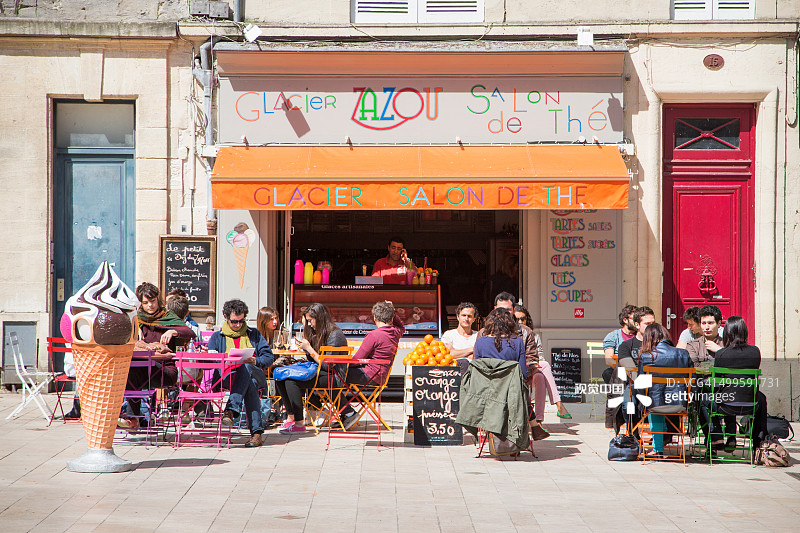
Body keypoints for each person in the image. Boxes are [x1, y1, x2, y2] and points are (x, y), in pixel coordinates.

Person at [121, 282, 196, 429]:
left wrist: (173, 331)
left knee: (139, 367)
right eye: (145, 302)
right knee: (130, 370)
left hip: (165, 372)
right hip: (143, 372)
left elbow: (190, 333)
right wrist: (135, 329)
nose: (150, 305)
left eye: (153, 301)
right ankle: (132, 418)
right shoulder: (137, 319)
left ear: (158, 300)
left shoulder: (168, 316)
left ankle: (134, 417)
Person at [478, 292, 549, 439]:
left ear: (514, 309)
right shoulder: (512, 340)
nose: (504, 314)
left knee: (520, 386)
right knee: (520, 390)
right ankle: (534, 425)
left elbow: (531, 358)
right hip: (509, 384)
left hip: (491, 384)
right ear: (494, 310)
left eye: (507, 310)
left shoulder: (525, 332)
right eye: (501, 310)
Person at [273, 303, 349, 434]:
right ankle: (291, 418)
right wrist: (306, 348)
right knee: (281, 376)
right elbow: (313, 360)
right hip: (320, 371)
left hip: (334, 376)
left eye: (310, 320)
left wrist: (309, 348)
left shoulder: (335, 335)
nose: (308, 324)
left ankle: (299, 423)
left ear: (319, 318)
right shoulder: (317, 332)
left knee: (291, 381)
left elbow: (328, 365)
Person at [209, 299, 274, 448]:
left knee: (246, 367)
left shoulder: (254, 334)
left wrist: (256, 361)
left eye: (241, 321)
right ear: (226, 317)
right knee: (250, 383)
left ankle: (231, 409)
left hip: (254, 371)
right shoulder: (217, 337)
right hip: (227, 376)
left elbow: (269, 357)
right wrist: (219, 358)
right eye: (234, 322)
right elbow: (209, 363)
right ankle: (257, 433)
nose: (238, 325)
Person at [702, 316, 768, 451]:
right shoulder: (755, 351)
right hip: (751, 404)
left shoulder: (721, 354)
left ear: (727, 333)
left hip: (725, 405)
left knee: (703, 398)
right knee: (761, 398)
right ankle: (759, 442)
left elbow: (717, 384)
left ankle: (716, 438)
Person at [337, 300, 404, 430]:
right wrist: (392, 311)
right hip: (381, 376)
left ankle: (348, 413)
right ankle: (346, 413)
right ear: (391, 318)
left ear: (375, 318)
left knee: (330, 378)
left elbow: (358, 359)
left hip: (369, 375)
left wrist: (342, 364)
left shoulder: (373, 335)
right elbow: (401, 326)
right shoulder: (395, 333)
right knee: (335, 377)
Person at [637, 323, 691, 456]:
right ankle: (662, 440)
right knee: (656, 399)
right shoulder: (683, 353)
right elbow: (691, 380)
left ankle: (657, 449)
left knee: (652, 401)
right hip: (679, 404)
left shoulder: (646, 356)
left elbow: (641, 385)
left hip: (655, 405)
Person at [514, 304, 572, 419]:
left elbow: (540, 356)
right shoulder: (511, 336)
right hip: (517, 370)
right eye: (517, 319)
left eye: (523, 318)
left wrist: (533, 364)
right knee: (543, 368)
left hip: (532, 368)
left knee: (540, 375)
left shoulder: (534, 336)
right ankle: (558, 404)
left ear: (527, 319)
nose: (520, 322)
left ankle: (539, 420)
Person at [612, 305, 655, 434]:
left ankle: (661, 436)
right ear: (637, 325)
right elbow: (630, 371)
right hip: (634, 384)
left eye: (653, 324)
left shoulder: (660, 344)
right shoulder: (626, 346)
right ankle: (634, 435)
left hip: (658, 384)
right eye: (647, 324)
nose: (651, 327)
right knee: (628, 404)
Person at [602, 304, 637, 429]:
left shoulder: (641, 336)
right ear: (625, 320)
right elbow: (609, 360)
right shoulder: (613, 336)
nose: (637, 321)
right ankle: (617, 417)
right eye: (634, 318)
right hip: (620, 370)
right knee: (610, 374)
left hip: (637, 371)